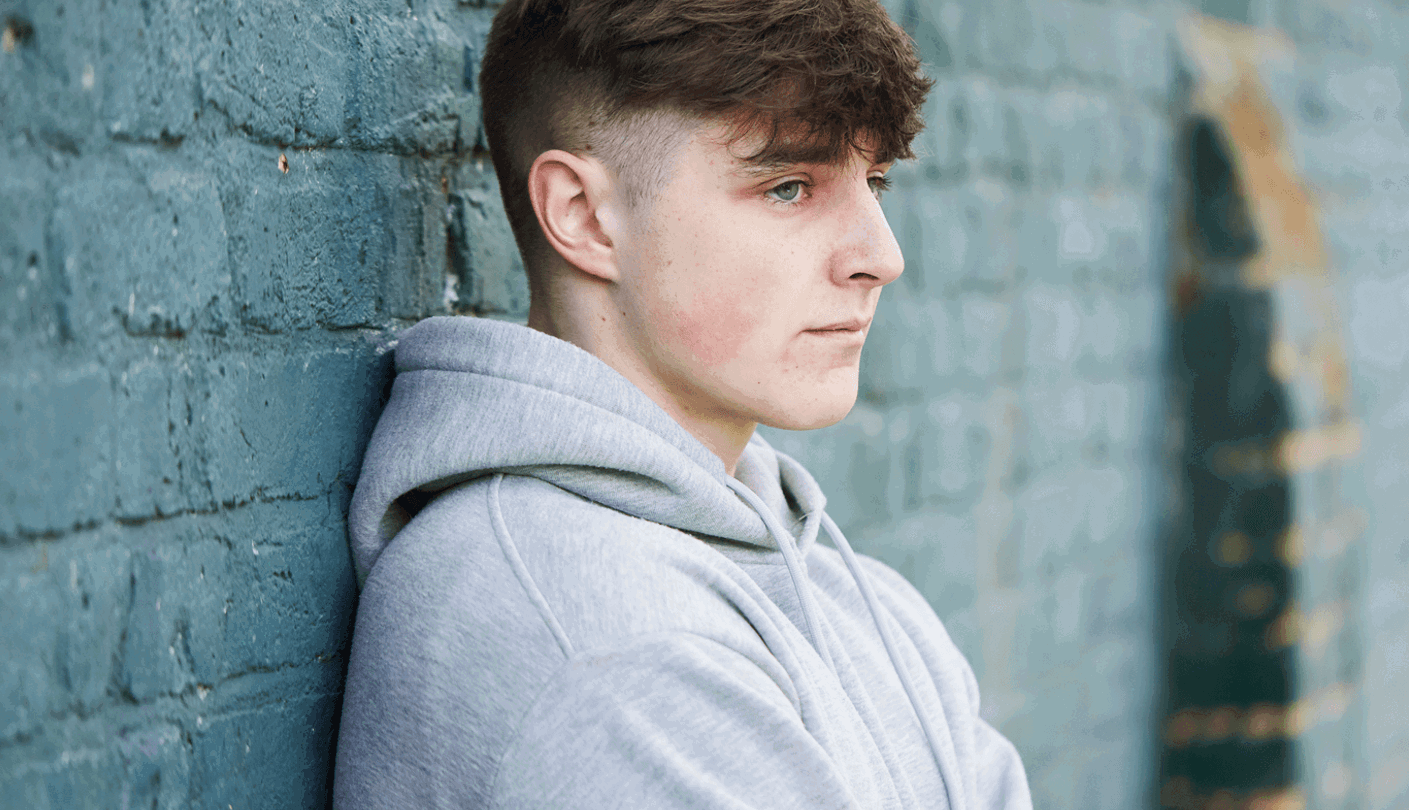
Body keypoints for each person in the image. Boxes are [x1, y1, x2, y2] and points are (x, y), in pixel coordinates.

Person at [333, 0, 1031, 807]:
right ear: (583, 216)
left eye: (873, 182)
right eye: (789, 187)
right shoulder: (596, 639)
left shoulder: (863, 604)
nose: (882, 256)